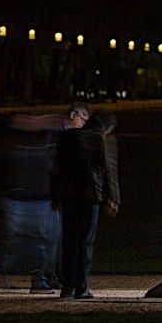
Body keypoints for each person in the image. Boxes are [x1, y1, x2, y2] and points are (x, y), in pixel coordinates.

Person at [0, 111, 68, 292]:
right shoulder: (17, 142)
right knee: (24, 241)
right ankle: (31, 276)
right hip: (23, 198)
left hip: (40, 198)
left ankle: (41, 278)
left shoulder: (44, 142)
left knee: (44, 241)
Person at [54, 107, 119, 299]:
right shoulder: (100, 139)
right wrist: (113, 198)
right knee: (85, 243)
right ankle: (81, 287)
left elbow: (56, 168)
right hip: (89, 198)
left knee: (69, 241)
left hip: (68, 197)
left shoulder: (68, 138)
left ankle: (67, 287)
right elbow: (108, 169)